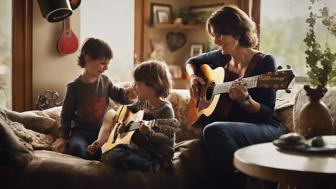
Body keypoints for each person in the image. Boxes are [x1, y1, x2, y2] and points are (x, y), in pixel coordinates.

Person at [185, 5, 285, 189]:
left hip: (265, 126)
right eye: (214, 35)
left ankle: (242, 179)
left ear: (237, 33)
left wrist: (246, 100)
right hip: (232, 128)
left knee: (213, 130)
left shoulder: (264, 62)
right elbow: (191, 62)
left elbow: (266, 111)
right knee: (205, 138)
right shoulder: (222, 57)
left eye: (220, 35)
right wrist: (193, 78)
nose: (215, 40)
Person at [51, 38, 137, 160]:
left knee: (116, 148)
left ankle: (101, 156)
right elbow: (66, 116)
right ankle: (95, 158)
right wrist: (62, 137)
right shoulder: (73, 87)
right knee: (76, 148)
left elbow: (119, 96)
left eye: (107, 64)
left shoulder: (106, 81)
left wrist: (129, 96)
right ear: (87, 59)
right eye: (103, 63)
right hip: (80, 132)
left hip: (103, 131)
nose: (106, 67)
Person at [88, 60, 178, 171]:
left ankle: (152, 167)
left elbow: (169, 140)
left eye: (138, 84)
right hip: (142, 150)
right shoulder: (142, 103)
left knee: (115, 156)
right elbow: (124, 111)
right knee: (107, 154)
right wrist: (122, 125)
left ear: (153, 85)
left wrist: (150, 133)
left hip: (158, 155)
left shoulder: (165, 109)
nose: (134, 87)